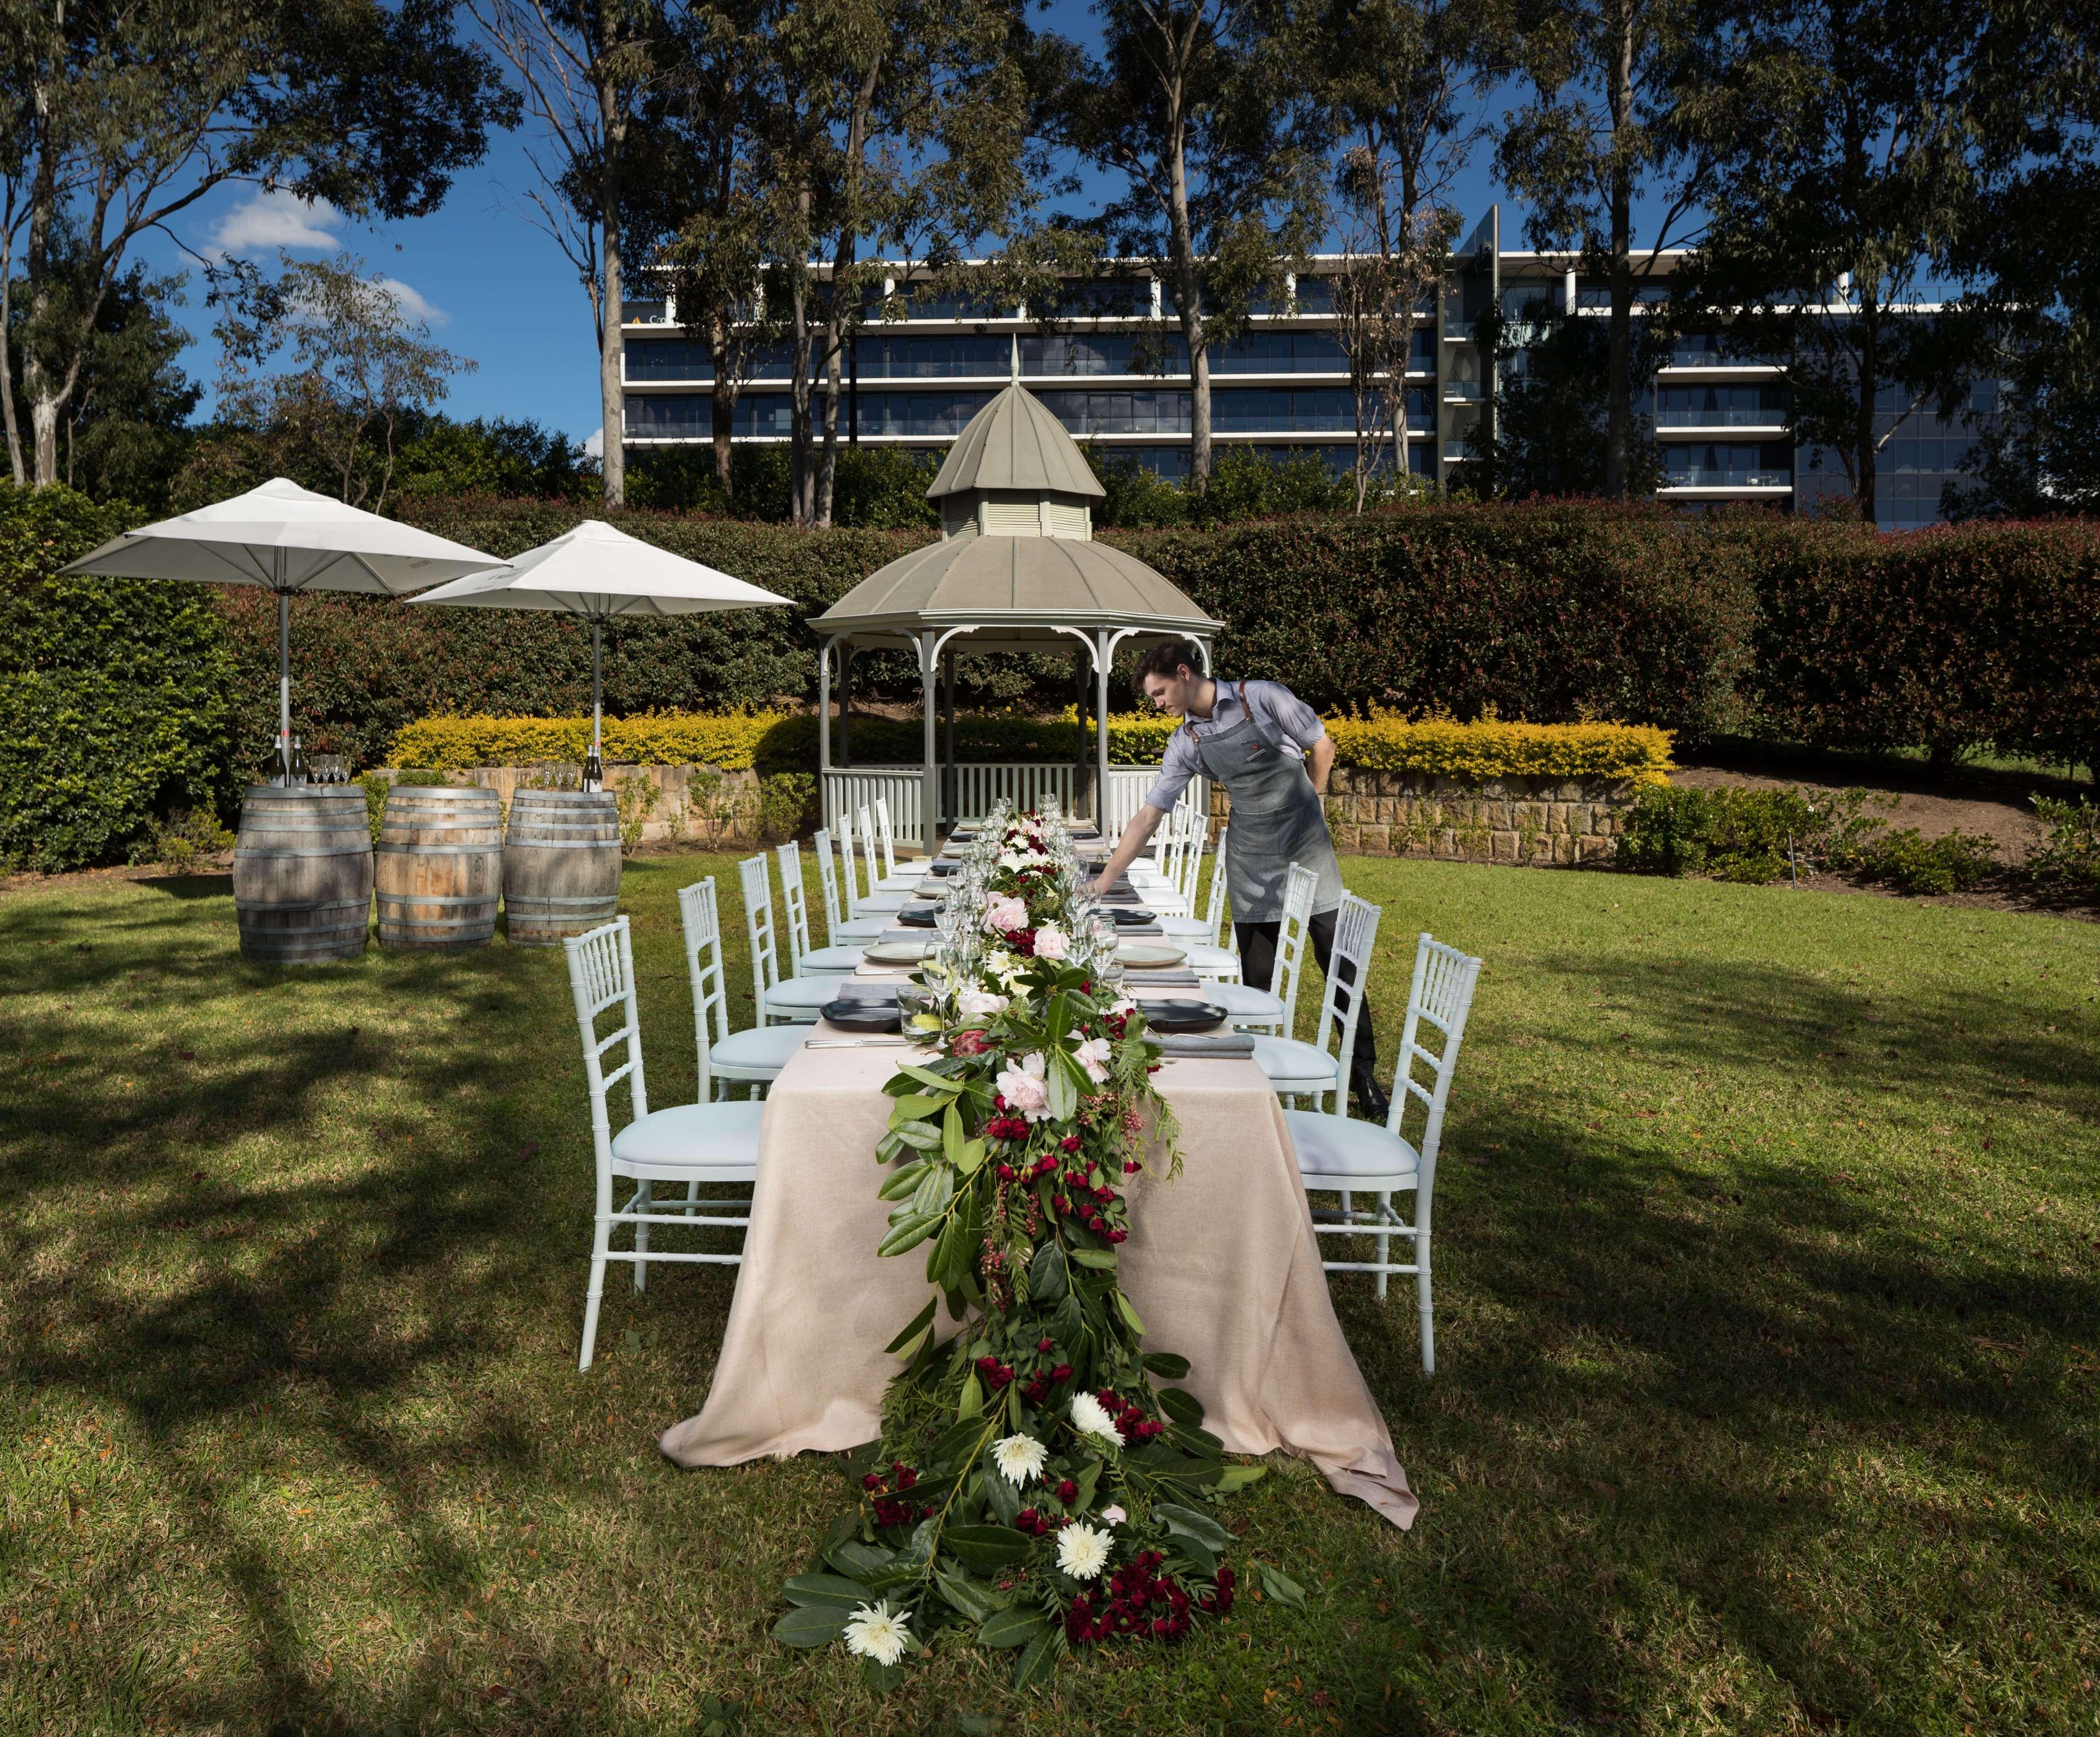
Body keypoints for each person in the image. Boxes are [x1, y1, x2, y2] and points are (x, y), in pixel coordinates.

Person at [1089, 640, 1386, 1121]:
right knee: (1258, 975)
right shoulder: (1187, 742)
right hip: (1251, 855)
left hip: (1306, 846)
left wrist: (1312, 801)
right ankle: (1259, 1079)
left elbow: (1322, 745)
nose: (1158, 704)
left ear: (1184, 673)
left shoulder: (1264, 697)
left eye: (1160, 692)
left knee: (1338, 966)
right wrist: (1103, 882)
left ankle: (1365, 1076)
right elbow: (1148, 816)